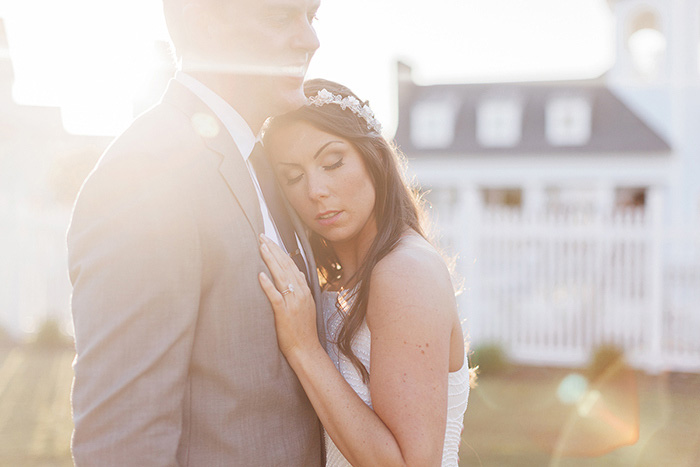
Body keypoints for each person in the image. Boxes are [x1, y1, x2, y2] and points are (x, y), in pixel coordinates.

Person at [67, 0, 324, 464]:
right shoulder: (146, 175)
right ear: (203, 23)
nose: (311, 39)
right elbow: (123, 443)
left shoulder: (265, 163)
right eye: (282, 16)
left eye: (313, 16)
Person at [258, 79, 471, 466]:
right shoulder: (336, 282)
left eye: (332, 162)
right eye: (293, 176)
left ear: (373, 156)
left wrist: (303, 348)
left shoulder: (404, 272)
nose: (316, 190)